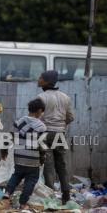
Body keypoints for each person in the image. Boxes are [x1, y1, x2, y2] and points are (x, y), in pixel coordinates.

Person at [37, 70, 74, 205]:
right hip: (60, 133)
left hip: (45, 133)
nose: (38, 79)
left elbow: (37, 118)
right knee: (62, 165)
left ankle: (50, 197)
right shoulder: (65, 97)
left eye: (41, 77)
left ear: (47, 81)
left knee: (48, 166)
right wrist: (60, 126)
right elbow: (70, 117)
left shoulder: (41, 97)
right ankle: (66, 196)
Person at [2, 98, 47, 210]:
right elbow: (42, 146)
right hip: (32, 159)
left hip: (19, 156)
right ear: (40, 111)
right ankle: (23, 203)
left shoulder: (19, 122)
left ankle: (7, 192)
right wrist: (42, 158)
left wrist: (4, 150)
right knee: (31, 180)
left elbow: (9, 136)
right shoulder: (42, 127)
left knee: (16, 175)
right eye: (42, 112)